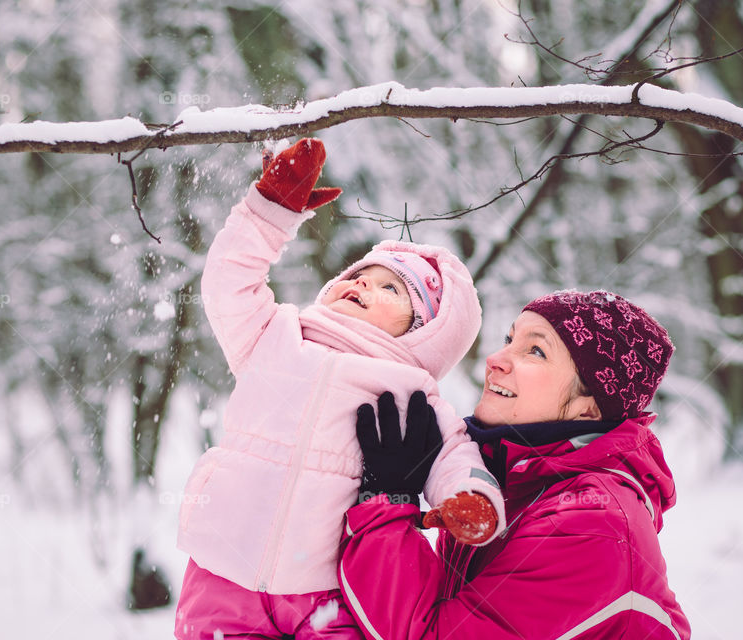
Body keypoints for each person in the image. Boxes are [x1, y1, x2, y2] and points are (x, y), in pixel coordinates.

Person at [174, 138, 506, 639]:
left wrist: (472, 498)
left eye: (390, 288)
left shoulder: (411, 391)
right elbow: (227, 283)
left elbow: (452, 455)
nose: (365, 286)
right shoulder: (274, 335)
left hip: (329, 587)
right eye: (361, 275)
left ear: (424, 329)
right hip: (226, 566)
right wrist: (269, 213)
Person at [339, 290, 691, 640]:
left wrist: (387, 502)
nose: (495, 358)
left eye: (535, 351)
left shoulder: (591, 523)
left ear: (590, 407)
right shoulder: (510, 484)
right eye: (509, 339)